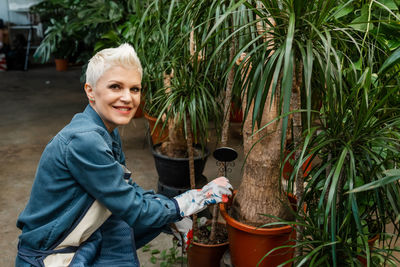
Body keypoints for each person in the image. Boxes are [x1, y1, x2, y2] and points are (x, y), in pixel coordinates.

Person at [15, 43, 233, 267]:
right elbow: (134, 209)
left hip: (79, 235)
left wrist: (169, 216)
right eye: (115, 87)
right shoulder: (85, 139)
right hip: (50, 254)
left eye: (134, 89)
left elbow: (126, 191)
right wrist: (190, 201)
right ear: (90, 91)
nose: (128, 98)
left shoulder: (107, 131)